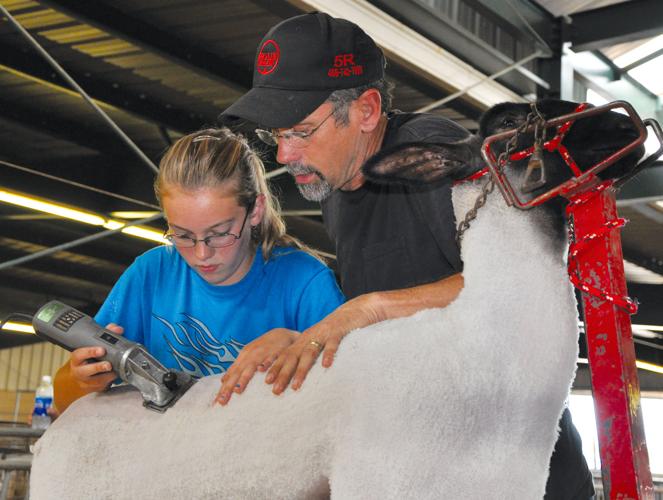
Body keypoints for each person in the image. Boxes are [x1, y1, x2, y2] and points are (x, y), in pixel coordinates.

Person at [218, 12, 594, 499]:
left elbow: (513, 286)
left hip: (522, 467)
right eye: (277, 137)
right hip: (440, 460)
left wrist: (366, 308)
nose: (285, 156)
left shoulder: (439, 160)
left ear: (367, 110)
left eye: (301, 132)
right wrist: (299, 337)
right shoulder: (337, 187)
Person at [53, 127, 344, 412]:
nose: (202, 254)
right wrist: (83, 381)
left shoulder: (305, 283)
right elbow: (63, 399)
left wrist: (298, 341)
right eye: (182, 235)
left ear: (254, 210)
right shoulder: (151, 274)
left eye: (219, 233)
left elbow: (350, 389)